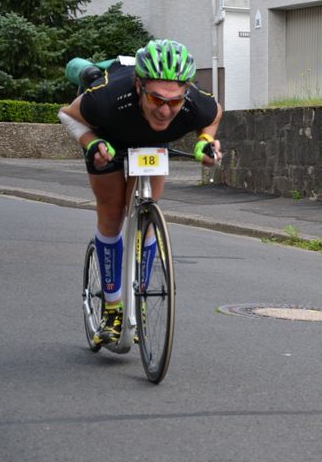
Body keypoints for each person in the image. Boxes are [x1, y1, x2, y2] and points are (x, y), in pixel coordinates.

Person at [59, 39, 223, 343]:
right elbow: (67, 114)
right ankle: (112, 308)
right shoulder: (106, 98)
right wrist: (91, 143)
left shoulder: (193, 103)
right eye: (156, 99)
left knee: (147, 210)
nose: (165, 110)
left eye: (175, 101)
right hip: (108, 139)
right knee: (112, 214)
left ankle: (141, 299)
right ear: (138, 85)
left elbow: (214, 116)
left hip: (149, 145)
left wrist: (204, 142)